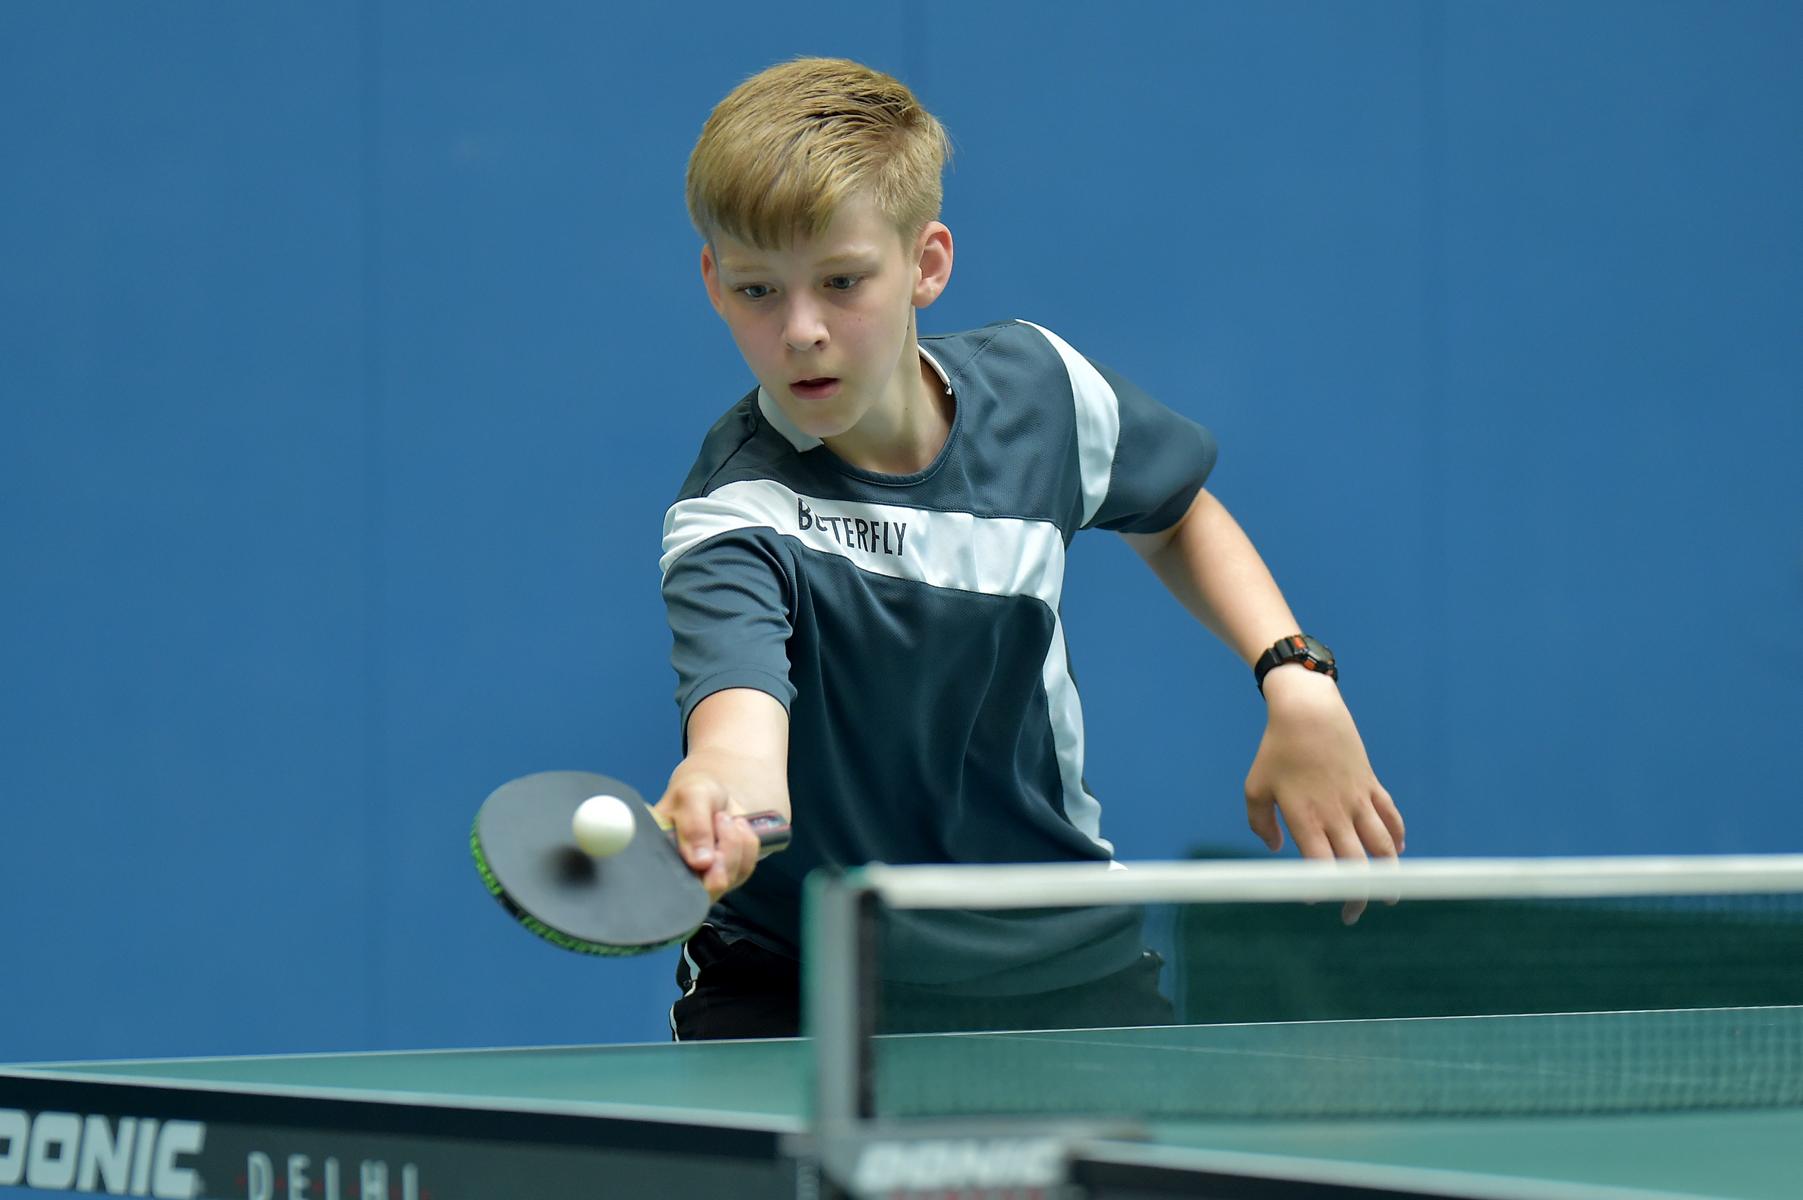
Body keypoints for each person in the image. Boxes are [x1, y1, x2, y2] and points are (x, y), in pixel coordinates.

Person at [654, 57, 1404, 1040]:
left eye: (842, 281)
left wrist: (1294, 676)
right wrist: (722, 795)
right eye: (758, 289)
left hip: (1060, 960)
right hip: (805, 979)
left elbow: (1178, 513)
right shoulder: (734, 513)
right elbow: (741, 737)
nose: (801, 331)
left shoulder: (1042, 394)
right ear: (713, 282)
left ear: (926, 264)